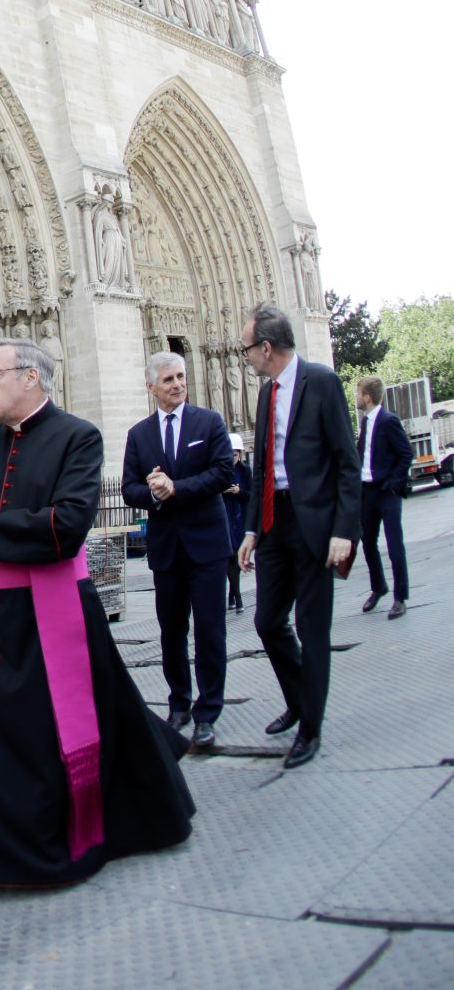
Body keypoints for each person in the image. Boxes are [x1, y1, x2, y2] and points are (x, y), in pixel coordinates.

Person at [0, 338, 194, 905]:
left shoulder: (79, 436)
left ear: (30, 377)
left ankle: (59, 844)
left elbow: (67, 525)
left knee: (53, 741)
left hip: (56, 615)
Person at [237, 302, 360, 769]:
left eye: (247, 348)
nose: (245, 357)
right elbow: (262, 464)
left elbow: (347, 464)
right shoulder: (267, 394)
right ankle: (300, 697)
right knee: (268, 621)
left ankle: (311, 729)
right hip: (273, 520)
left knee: (313, 629)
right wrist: (250, 529)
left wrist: (344, 531)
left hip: (315, 524)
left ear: (266, 347)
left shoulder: (322, 382)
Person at [121, 352, 233, 750]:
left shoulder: (209, 422)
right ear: (151, 386)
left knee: (209, 630)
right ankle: (179, 702)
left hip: (206, 545)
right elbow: (127, 488)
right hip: (167, 547)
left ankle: (209, 710)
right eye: (168, 379)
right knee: (172, 631)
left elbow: (224, 472)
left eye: (181, 377)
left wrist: (177, 488)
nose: (177, 384)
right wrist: (153, 493)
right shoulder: (140, 434)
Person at [355, 376, 412, 618]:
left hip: (386, 492)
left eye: (358, 393)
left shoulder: (389, 421)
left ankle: (400, 597)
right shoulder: (366, 423)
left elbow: (405, 453)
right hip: (367, 492)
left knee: (394, 544)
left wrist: (393, 483)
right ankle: (379, 587)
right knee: (367, 542)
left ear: (367, 396)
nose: (356, 397)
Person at [223, 433, 250, 613]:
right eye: (230, 454)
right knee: (230, 556)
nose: (233, 457)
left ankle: (233, 594)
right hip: (225, 515)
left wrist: (239, 491)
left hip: (239, 517)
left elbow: (251, 495)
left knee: (237, 556)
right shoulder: (221, 470)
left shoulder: (245, 470)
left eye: (235, 454)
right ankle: (237, 597)